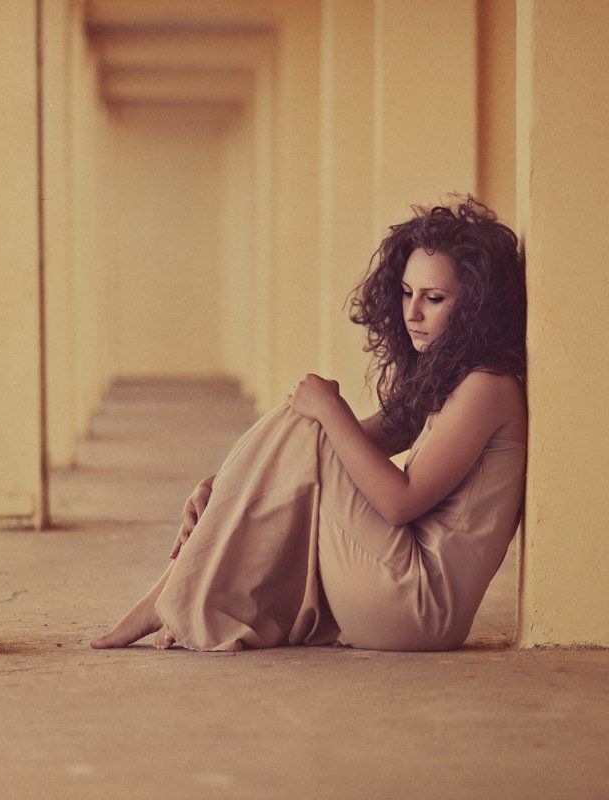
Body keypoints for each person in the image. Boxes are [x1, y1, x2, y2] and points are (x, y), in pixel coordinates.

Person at [90, 193, 527, 653]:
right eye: (406, 292)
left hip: (416, 607)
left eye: (434, 298)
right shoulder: (450, 378)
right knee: (308, 424)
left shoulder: (487, 389)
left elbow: (400, 504)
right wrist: (224, 488)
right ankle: (176, 591)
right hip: (397, 596)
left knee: (314, 423)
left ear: (476, 307)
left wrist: (329, 410)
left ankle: (171, 595)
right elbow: (344, 446)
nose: (412, 312)